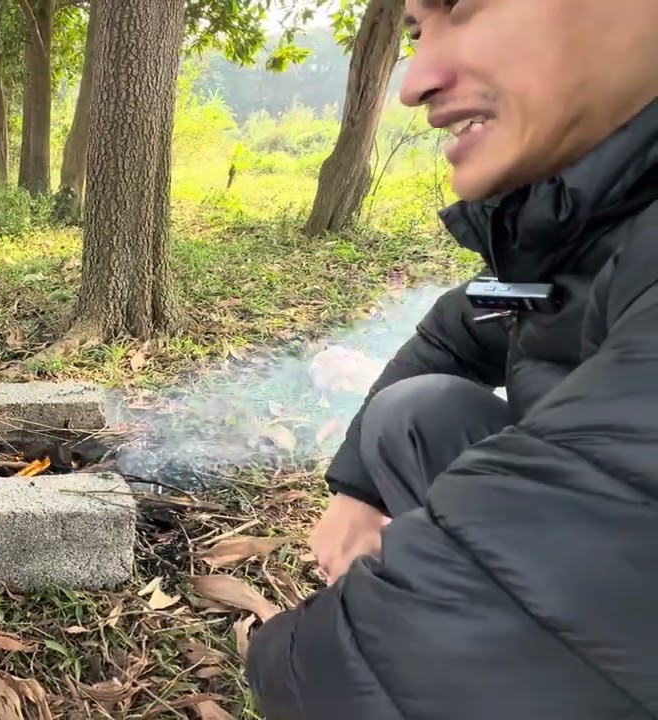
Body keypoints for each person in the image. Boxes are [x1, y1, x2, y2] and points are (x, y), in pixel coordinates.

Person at [249, 0, 658, 717]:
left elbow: (375, 670)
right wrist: (360, 486)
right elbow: (452, 332)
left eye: (464, 6)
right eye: (414, 32)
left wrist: (273, 655)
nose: (416, 81)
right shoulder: (580, 230)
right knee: (415, 409)